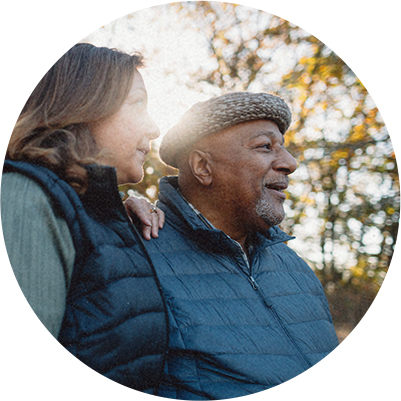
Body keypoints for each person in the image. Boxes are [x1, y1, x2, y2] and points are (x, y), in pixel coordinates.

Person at [134, 92, 339, 399]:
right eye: (265, 147)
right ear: (203, 167)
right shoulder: (136, 259)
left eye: (283, 148)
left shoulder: (295, 268)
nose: (289, 163)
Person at [1, 43, 169, 393]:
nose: (154, 128)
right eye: (138, 104)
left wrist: (118, 206)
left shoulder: (92, 209)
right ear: (85, 105)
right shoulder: (25, 198)